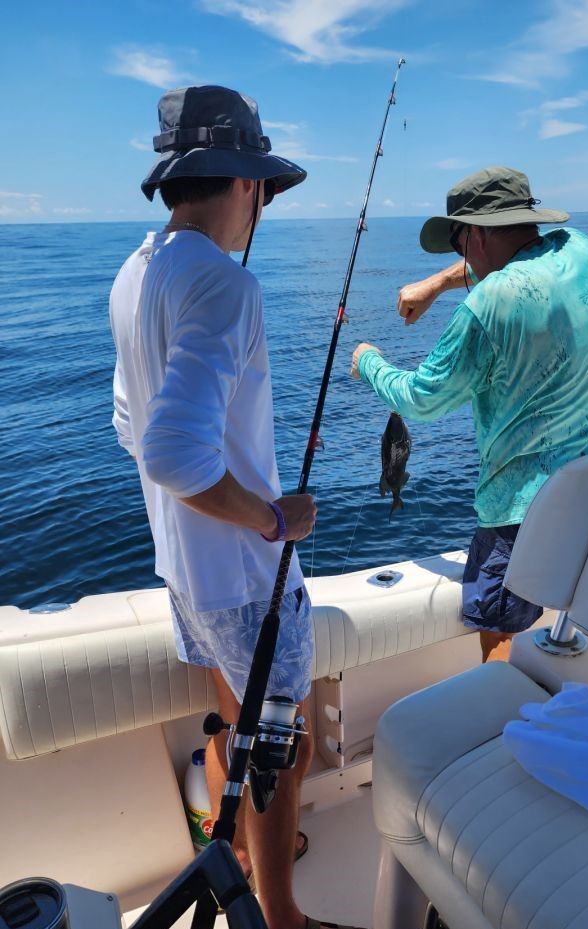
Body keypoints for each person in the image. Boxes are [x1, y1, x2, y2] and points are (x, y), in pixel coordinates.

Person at [110, 85, 349, 929]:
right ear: (245, 182)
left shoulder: (134, 275)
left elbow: (131, 427)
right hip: (248, 581)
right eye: (264, 191)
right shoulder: (225, 286)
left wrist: (194, 508)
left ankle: (241, 855)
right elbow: (174, 453)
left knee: (235, 727)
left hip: (184, 574)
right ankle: (281, 916)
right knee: (283, 749)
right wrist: (276, 519)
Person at [351, 166, 588, 662]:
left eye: (457, 243)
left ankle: (503, 707)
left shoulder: (486, 306)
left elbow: (421, 399)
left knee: (497, 626)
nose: (460, 257)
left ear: (474, 234)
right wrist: (437, 283)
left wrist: (368, 362)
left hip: (522, 512)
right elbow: (512, 263)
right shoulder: (582, 250)